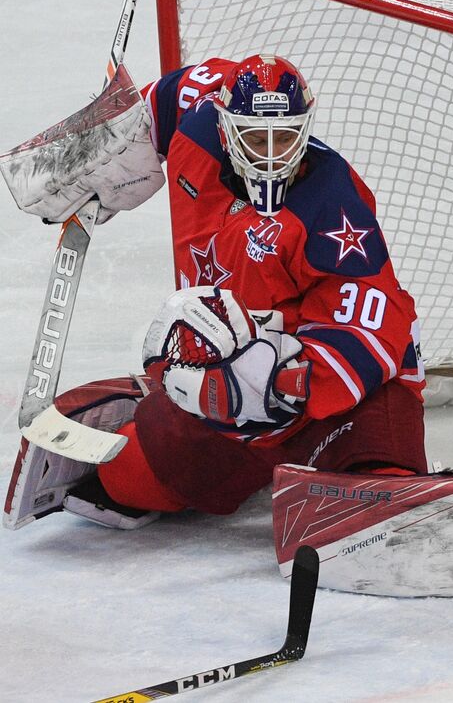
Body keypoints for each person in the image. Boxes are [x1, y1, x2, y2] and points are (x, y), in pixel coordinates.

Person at [9, 54, 428, 529]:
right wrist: (102, 144)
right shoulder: (200, 128)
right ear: (226, 126)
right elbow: (162, 101)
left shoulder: (332, 204)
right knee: (125, 481)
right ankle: (151, 403)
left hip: (331, 392)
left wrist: (284, 383)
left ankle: (374, 474)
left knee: (380, 490)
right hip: (222, 387)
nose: (271, 154)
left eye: (286, 136)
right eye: (255, 137)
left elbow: (371, 323)